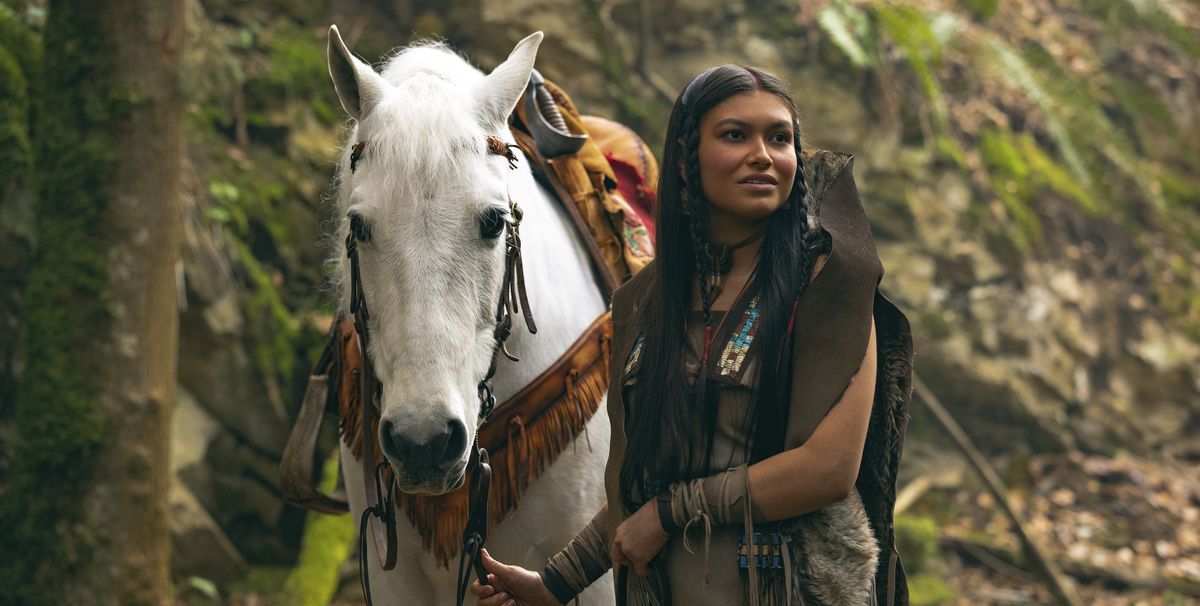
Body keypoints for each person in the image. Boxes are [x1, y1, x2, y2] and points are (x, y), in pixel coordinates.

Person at [470, 65, 914, 606]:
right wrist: (555, 584)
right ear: (686, 158)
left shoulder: (829, 285)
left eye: (780, 138)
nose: (763, 154)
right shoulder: (644, 303)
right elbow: (641, 482)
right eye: (735, 135)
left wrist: (672, 512)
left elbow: (826, 469)